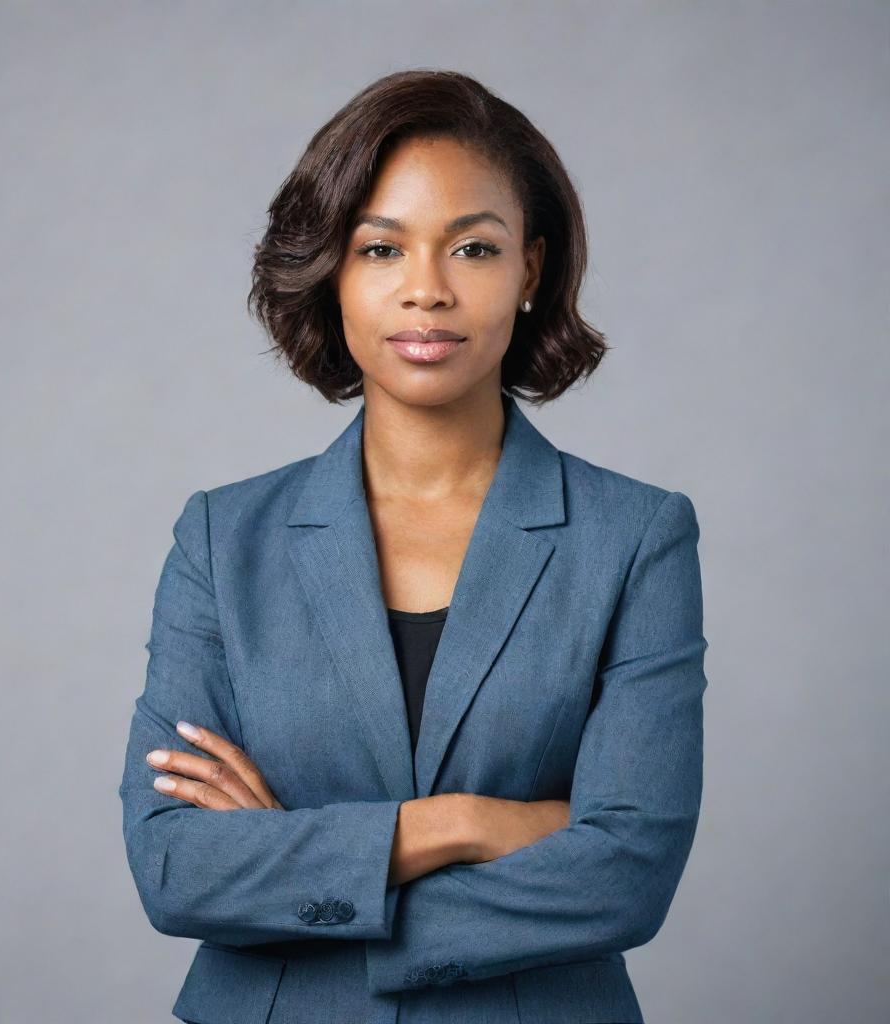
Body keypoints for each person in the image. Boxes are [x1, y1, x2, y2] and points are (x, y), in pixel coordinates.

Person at [118, 68, 708, 1024]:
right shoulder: (225, 540)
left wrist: (300, 864)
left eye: (473, 247)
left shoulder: (634, 537)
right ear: (334, 272)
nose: (427, 291)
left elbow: (627, 875)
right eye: (381, 248)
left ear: (532, 271)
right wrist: (463, 825)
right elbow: (176, 867)